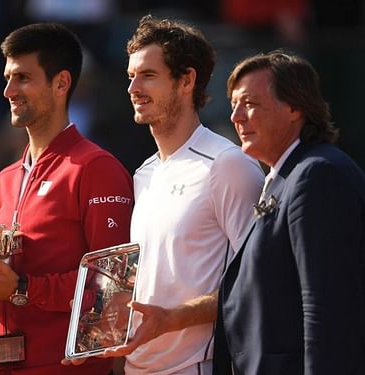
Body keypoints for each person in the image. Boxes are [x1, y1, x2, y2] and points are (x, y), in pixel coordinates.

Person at [0, 23, 134, 374]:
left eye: (22, 78)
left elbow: (110, 289)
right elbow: (11, 295)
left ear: (61, 83)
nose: (8, 91)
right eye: (7, 77)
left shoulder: (97, 168)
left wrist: (21, 287)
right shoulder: (6, 178)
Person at [101, 15, 264, 375]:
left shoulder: (229, 165)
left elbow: (260, 284)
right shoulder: (143, 173)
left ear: (186, 80)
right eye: (131, 76)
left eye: (148, 75)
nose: (133, 88)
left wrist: (173, 319)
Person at [212, 51, 365, 375]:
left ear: (295, 107)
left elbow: (327, 310)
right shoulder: (288, 176)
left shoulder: (318, 175)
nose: (236, 117)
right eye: (234, 105)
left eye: (250, 103)